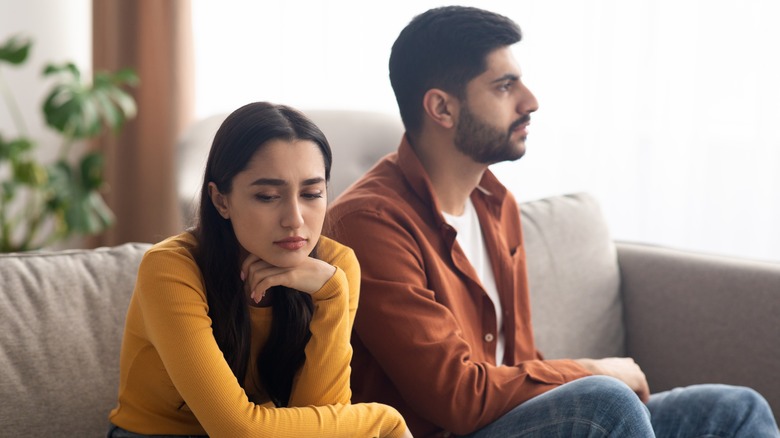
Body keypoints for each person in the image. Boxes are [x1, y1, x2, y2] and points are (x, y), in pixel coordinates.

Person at [324, 6, 779, 438]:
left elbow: (518, 360)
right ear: (442, 108)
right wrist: (590, 370)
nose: (531, 101)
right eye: (504, 87)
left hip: (507, 420)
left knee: (736, 408)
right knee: (605, 403)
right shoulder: (369, 224)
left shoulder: (495, 203)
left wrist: (577, 383)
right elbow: (457, 397)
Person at [107, 102, 412, 437]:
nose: (294, 219)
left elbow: (320, 420)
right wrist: (384, 421)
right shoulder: (169, 269)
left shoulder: (334, 268)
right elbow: (237, 431)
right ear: (221, 200)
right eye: (267, 196)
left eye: (312, 194)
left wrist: (333, 297)